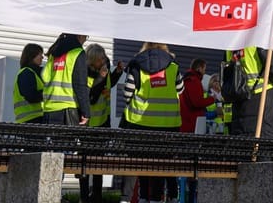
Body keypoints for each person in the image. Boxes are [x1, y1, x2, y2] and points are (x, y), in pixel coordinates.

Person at [122, 42, 184, 203]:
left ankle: (142, 197)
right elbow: (180, 90)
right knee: (160, 165)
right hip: (168, 126)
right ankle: (157, 198)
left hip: (138, 124)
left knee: (139, 162)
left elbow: (127, 93)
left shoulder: (136, 65)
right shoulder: (173, 67)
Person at [80, 43, 122, 203]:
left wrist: (117, 72)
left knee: (98, 163)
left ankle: (97, 196)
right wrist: (102, 77)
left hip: (103, 122)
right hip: (88, 125)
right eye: (100, 59)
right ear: (92, 60)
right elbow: (92, 97)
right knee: (84, 162)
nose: (103, 61)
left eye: (104, 57)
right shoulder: (86, 74)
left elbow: (109, 84)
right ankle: (84, 196)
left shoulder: (103, 70)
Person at [179, 57, 219, 203]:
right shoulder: (193, 80)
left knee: (189, 165)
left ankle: (188, 194)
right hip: (192, 127)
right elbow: (196, 102)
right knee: (192, 165)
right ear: (200, 68)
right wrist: (212, 99)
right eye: (204, 69)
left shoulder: (187, 79)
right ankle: (189, 196)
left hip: (188, 125)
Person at [225, 46, 273, 139]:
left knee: (242, 140)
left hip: (239, 98)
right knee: (267, 139)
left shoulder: (231, 44)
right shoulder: (259, 39)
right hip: (262, 96)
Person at [43, 33, 91, 125]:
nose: (84, 41)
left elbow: (45, 77)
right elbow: (80, 84)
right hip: (68, 110)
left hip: (49, 109)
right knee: (68, 139)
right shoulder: (77, 53)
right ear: (79, 36)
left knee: (53, 139)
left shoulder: (54, 54)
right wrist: (86, 112)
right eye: (85, 37)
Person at [13, 43, 46, 124]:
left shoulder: (32, 73)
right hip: (31, 120)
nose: (42, 57)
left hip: (32, 119)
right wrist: (48, 93)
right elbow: (31, 96)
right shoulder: (26, 73)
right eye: (40, 54)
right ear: (32, 56)